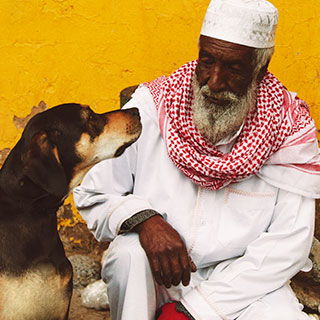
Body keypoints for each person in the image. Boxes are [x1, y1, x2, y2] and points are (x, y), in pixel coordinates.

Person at [74, 0, 320, 319]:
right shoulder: (153, 106)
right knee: (128, 254)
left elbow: (289, 244)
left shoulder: (289, 129)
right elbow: (93, 193)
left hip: (242, 287)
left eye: (233, 68)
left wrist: (196, 309)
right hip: (156, 274)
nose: (214, 82)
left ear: (261, 67)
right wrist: (145, 219)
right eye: (207, 61)